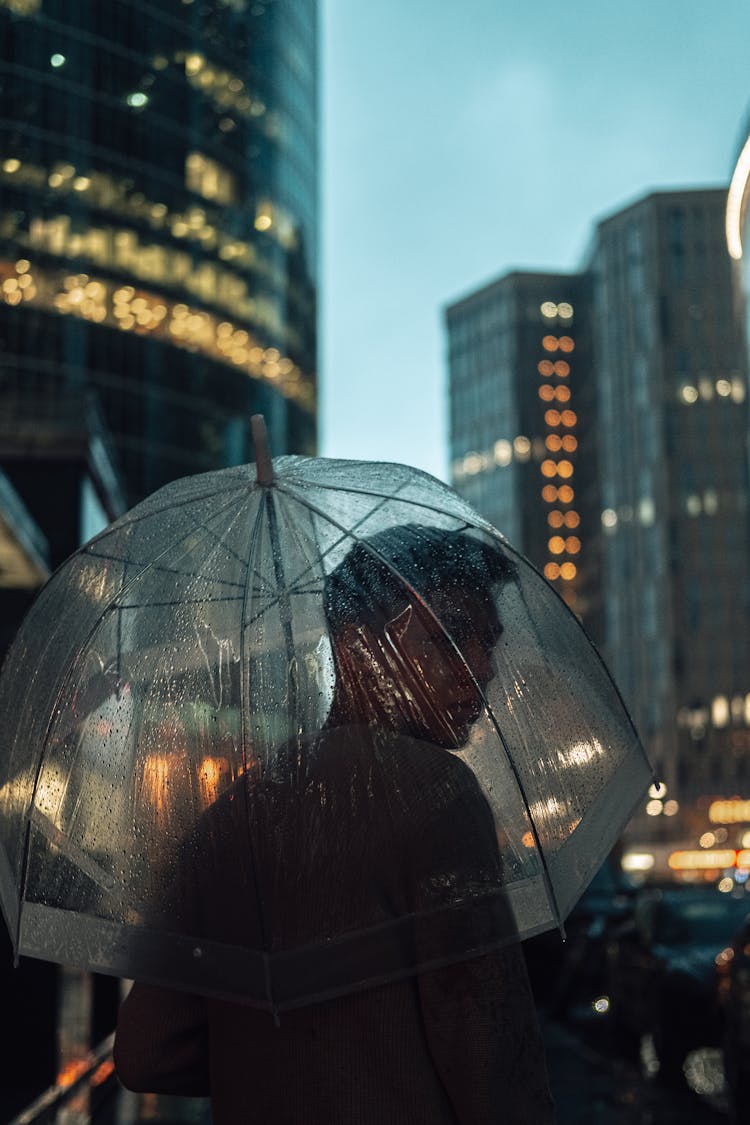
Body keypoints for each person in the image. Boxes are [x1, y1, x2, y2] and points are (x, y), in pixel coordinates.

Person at [114, 523, 556, 1123]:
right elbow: (489, 1052)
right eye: (448, 638)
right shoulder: (434, 792)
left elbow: (147, 1053)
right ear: (355, 647)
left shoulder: (238, 811)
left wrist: (274, 1063)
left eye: (488, 642)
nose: (481, 668)